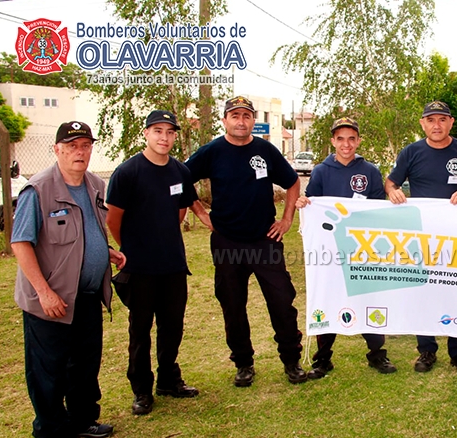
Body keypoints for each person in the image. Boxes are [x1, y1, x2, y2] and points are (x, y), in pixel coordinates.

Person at [11, 121, 126, 438]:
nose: (80, 151)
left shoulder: (94, 184)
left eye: (86, 145)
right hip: (52, 300)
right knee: (49, 369)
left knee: (85, 364)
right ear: (57, 149)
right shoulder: (39, 189)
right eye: (72, 145)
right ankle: (52, 431)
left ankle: (82, 419)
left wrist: (106, 252)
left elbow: (84, 232)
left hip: (88, 295)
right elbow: (21, 243)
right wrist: (43, 292)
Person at [185, 96, 307, 386]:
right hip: (228, 242)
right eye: (235, 115)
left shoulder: (265, 150)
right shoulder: (212, 151)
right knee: (233, 305)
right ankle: (243, 364)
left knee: (282, 301)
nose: (241, 121)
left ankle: (292, 360)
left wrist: (287, 219)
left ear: (253, 120)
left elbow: (292, 182)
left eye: (247, 116)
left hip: (265, 240)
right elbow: (180, 178)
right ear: (225, 120)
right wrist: (201, 212)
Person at [106, 110, 209, 416]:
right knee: (140, 330)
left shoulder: (180, 171)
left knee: (172, 326)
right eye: (158, 131)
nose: (164, 137)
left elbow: (182, 210)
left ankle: (168, 379)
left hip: (173, 265)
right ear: (146, 133)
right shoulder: (128, 172)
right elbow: (114, 219)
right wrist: (133, 247)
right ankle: (141, 389)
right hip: (138, 266)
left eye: (170, 132)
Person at [385, 100, 457, 376]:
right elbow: (390, 181)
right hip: (422, 237)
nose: (437, 125)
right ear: (423, 123)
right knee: (424, 292)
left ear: (450, 122)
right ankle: (426, 350)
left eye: (442, 119)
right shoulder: (412, 152)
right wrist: (392, 191)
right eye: (431, 120)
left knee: (456, 290)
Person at [296, 117, 398, 378]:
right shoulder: (321, 171)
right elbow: (314, 204)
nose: (346, 144)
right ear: (332, 141)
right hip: (330, 250)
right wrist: (305, 204)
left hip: (361, 250)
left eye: (351, 138)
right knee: (328, 297)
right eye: (340, 138)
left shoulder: (370, 171)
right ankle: (323, 358)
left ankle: (377, 354)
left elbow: (377, 209)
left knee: (367, 298)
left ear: (358, 141)